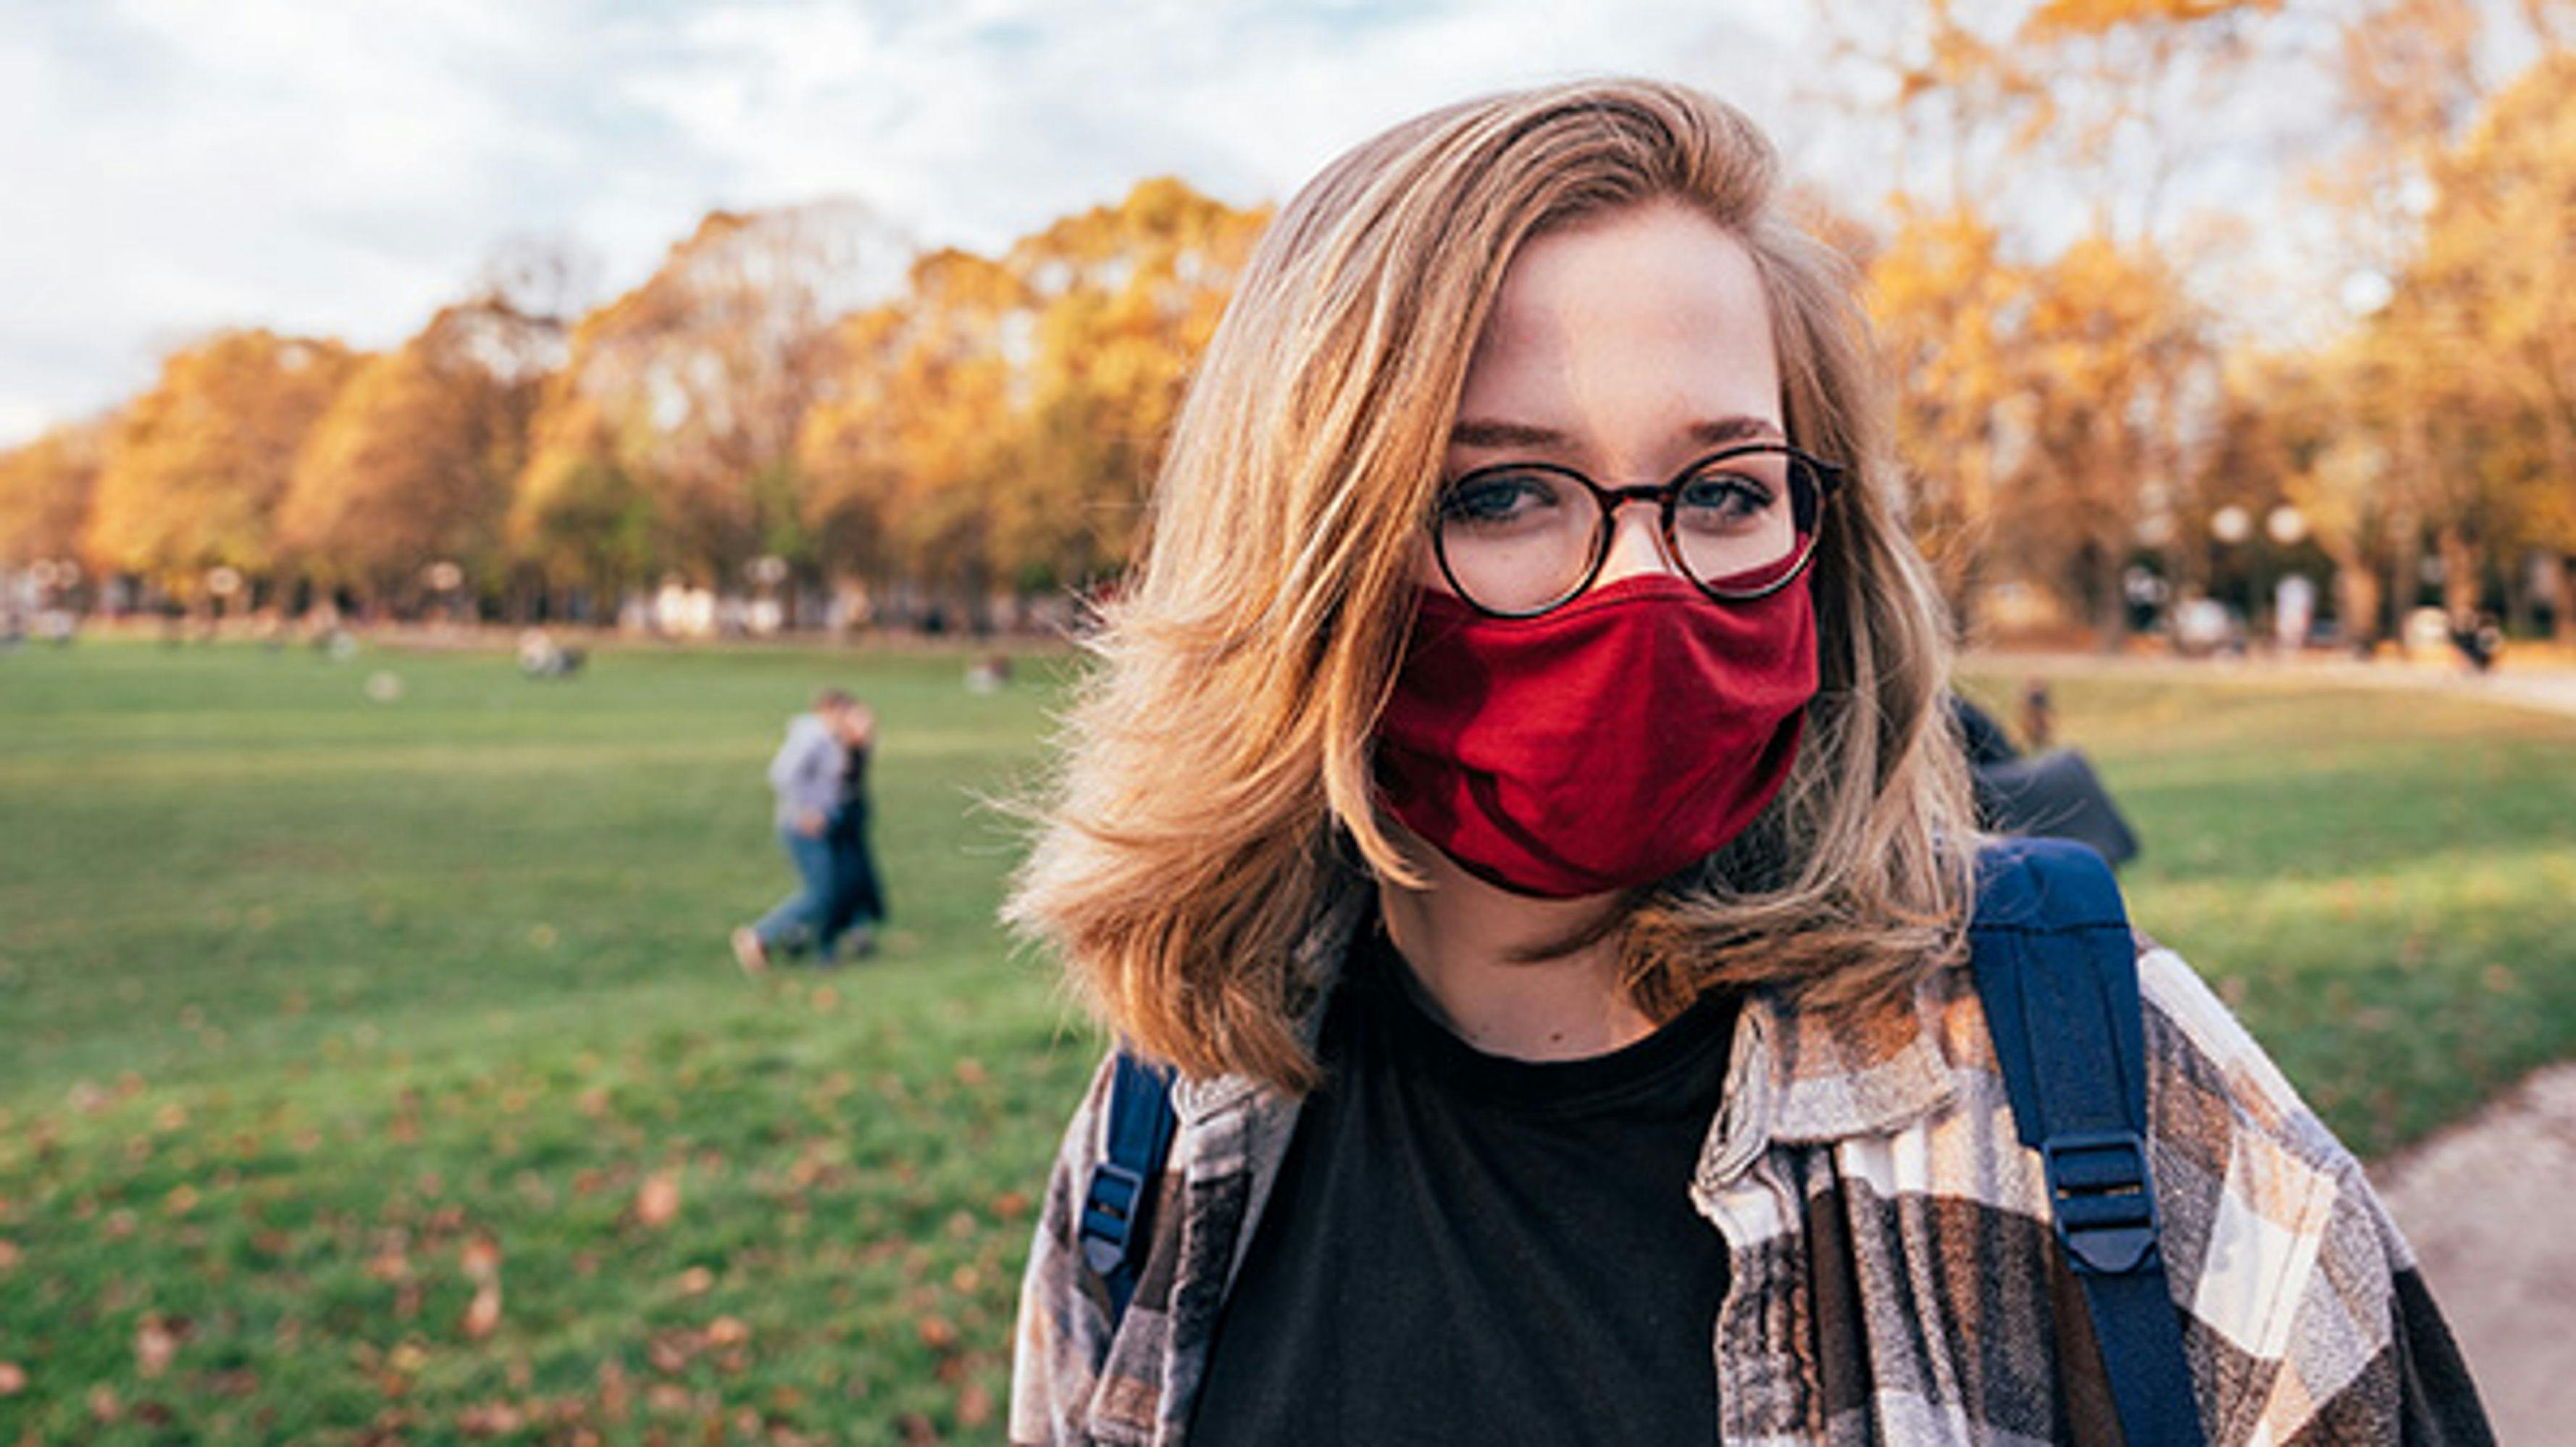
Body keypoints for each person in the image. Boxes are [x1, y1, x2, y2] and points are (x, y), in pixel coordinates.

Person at [1002, 80, 2493, 1445]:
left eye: (1721, 487)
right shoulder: (1167, 1131)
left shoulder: (2104, 1078)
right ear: (1302, 554)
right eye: (1503, 490)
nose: (1644, 581)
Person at [733, 688, 863, 973]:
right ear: (831, 710)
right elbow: (782, 774)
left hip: (822, 823)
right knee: (820, 893)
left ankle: (805, 942)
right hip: (803, 826)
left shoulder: (828, 739)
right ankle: (760, 935)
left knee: (827, 890)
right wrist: (805, 811)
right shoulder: (812, 737)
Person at [819, 698, 886, 959]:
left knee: (856, 879)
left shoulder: (855, 750)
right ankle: (806, 932)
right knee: (838, 881)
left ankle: (857, 931)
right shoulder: (832, 750)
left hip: (853, 820)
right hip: (837, 821)